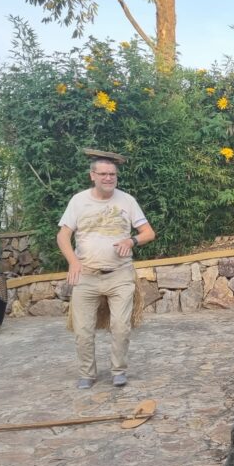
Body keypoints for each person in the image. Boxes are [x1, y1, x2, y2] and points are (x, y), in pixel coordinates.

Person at [57, 149, 155, 390]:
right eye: (103, 174)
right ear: (92, 176)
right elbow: (63, 235)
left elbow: (149, 233)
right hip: (86, 275)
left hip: (120, 274)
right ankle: (87, 373)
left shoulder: (127, 201)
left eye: (112, 174)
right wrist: (73, 261)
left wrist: (131, 241)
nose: (109, 178)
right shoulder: (78, 201)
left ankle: (119, 370)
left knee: (121, 326)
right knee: (82, 330)